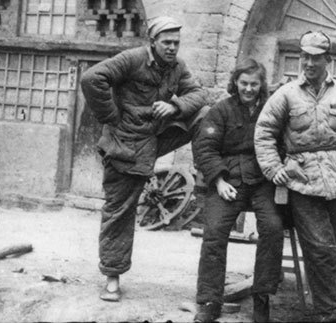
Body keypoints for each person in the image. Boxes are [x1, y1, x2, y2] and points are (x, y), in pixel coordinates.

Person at [80, 16, 209, 302]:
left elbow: (199, 94)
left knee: (204, 114)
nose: (172, 48)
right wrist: (111, 117)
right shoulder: (132, 58)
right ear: (152, 42)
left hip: (154, 138)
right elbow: (91, 79)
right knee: (120, 211)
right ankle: (112, 277)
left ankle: (207, 173)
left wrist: (175, 106)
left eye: (176, 43)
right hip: (124, 146)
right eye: (166, 42)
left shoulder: (177, 67)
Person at [254, 31, 336, 322]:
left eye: (315, 58)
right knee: (319, 248)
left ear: (327, 59)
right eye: (304, 57)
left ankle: (334, 312)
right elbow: (264, 133)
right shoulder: (286, 94)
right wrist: (275, 169)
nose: (308, 63)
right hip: (302, 181)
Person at [192, 58, 284, 323]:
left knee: (273, 228)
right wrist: (219, 182)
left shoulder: (271, 110)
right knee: (214, 231)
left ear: (261, 85)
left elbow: (282, 145)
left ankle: (262, 297)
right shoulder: (221, 110)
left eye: (254, 84)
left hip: (263, 181)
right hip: (228, 181)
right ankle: (210, 300)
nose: (248, 89)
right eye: (244, 83)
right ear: (235, 82)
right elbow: (205, 148)